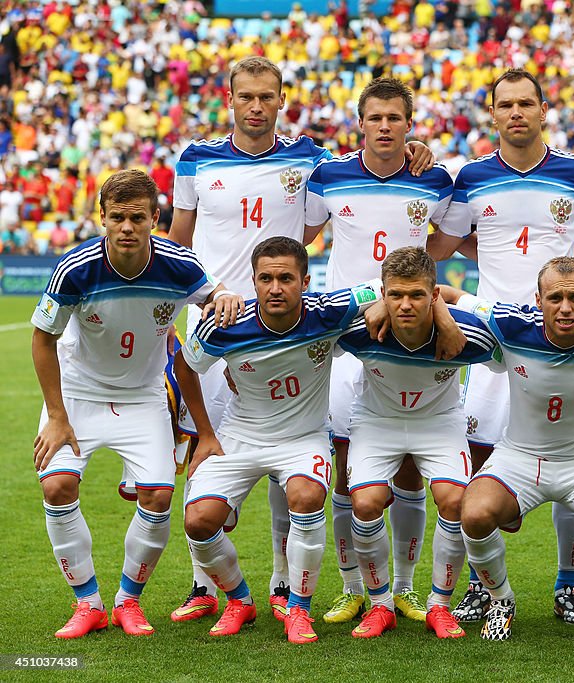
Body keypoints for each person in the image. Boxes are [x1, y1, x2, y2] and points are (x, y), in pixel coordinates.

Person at [168, 58, 433, 624]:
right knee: (206, 448)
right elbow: (177, 242)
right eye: (247, 97)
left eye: (267, 96)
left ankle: (287, 582)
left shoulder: (310, 160)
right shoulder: (194, 158)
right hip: (218, 323)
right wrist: (191, 303)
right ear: (231, 100)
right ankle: (202, 586)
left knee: (291, 449)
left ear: (281, 100)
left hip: (291, 321)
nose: (257, 106)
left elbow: (321, 219)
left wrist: (414, 154)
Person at [428, 68, 574, 625]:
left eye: (525, 104)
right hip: (494, 339)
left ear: (543, 111)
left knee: (572, 465)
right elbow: (442, 242)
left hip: (563, 337)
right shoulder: (471, 176)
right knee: (484, 466)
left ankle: (568, 586)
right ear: (492, 114)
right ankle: (483, 588)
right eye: (504, 105)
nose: (515, 113)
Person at [31, 169, 242, 639]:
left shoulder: (179, 265)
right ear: (102, 218)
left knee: (158, 496)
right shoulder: (75, 268)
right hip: (77, 395)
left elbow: (216, 293)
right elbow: (43, 339)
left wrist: (225, 296)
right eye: (118, 217)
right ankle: (87, 603)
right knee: (57, 487)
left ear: (155, 219)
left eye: (138, 218)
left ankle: (128, 601)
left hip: (142, 397)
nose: (127, 227)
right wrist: (58, 417)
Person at [176, 237, 384, 644]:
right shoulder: (225, 323)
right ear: (252, 282)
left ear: (305, 281)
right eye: (266, 278)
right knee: (198, 522)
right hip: (240, 435)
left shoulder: (331, 310)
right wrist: (205, 433)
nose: (275, 287)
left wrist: (385, 304)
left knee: (306, 498)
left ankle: (299, 610)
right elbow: (185, 366)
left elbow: (385, 286)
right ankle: (239, 599)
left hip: (302, 439)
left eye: (286, 278)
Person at [303, 77, 454, 625]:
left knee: (411, 467)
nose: (386, 126)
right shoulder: (328, 175)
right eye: (376, 118)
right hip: (348, 337)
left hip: (410, 327)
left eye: (396, 118)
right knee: (348, 468)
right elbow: (302, 235)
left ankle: (407, 588)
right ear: (360, 123)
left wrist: (414, 290)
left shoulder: (433, 178)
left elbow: (445, 243)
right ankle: (352, 588)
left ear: (409, 125)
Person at [440, 256, 574, 641]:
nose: (566, 308)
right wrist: (436, 306)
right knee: (472, 512)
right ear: (538, 300)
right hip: (519, 459)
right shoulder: (509, 323)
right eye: (555, 298)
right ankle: (501, 599)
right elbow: (448, 293)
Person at [335, 247, 499, 639]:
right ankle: (380, 605)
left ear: (434, 295)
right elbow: (307, 325)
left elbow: (516, 346)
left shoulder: (468, 335)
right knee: (365, 501)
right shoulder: (358, 328)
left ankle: (439, 606)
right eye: (395, 295)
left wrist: (447, 315)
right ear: (383, 292)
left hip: (438, 423)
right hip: (378, 422)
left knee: (455, 500)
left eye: (417, 295)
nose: (405, 305)